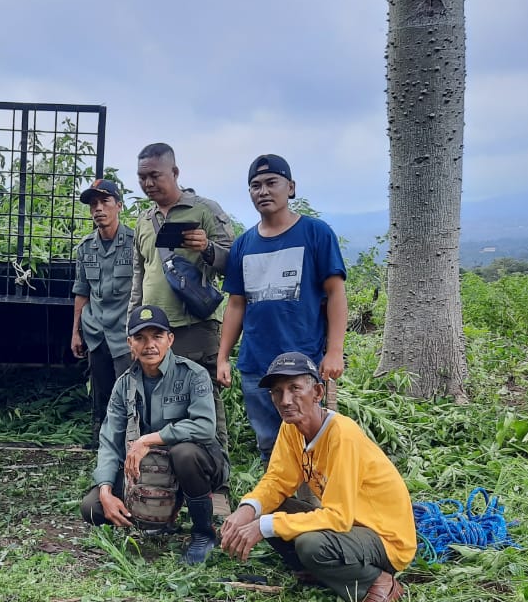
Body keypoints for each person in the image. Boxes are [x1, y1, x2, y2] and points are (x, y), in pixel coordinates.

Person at [219, 353, 415, 602]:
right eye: (277, 392)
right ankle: (325, 571)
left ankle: (379, 583)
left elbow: (338, 517)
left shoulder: (342, 436)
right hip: (350, 528)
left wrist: (265, 525)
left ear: (318, 392)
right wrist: (249, 510)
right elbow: (277, 480)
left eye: (295, 389)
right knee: (272, 510)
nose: (285, 400)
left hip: (383, 537)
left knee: (311, 544)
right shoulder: (291, 428)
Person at [218, 154, 347, 465]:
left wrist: (335, 351)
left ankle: (315, 505)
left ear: (290, 187)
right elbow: (236, 304)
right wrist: (223, 356)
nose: (263, 191)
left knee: (312, 438)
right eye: (255, 185)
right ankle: (276, 504)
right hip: (256, 365)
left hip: (304, 360)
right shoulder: (244, 243)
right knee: (269, 443)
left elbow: (335, 292)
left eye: (271, 183)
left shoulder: (316, 233)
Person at [81, 305, 227, 564]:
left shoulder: (193, 375)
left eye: (157, 336)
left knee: (185, 453)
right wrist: (104, 490)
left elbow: (205, 427)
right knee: (92, 508)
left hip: (194, 467)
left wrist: (147, 440)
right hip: (151, 472)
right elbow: (109, 440)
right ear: (130, 343)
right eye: (140, 338)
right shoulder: (124, 384)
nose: (149, 345)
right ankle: (151, 517)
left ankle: (203, 533)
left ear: (170, 339)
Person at [128, 143, 234, 454]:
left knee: (205, 400)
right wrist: (130, 326)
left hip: (195, 326)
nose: (148, 183)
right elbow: (140, 275)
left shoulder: (205, 210)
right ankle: (166, 476)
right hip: (152, 330)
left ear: (175, 172)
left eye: (155, 176)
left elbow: (233, 264)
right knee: (157, 399)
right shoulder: (144, 220)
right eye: (142, 177)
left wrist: (207, 248)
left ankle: (216, 476)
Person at [70, 179, 135, 445]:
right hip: (96, 331)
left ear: (118, 205)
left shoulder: (135, 243)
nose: (98, 209)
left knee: (128, 390)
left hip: (125, 332)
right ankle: (100, 438)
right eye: (93, 204)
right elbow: (81, 292)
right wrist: (75, 333)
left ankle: (127, 440)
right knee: (101, 390)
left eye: (105, 202)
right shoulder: (86, 248)